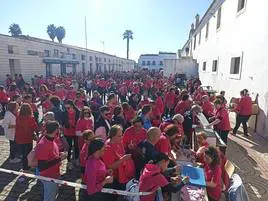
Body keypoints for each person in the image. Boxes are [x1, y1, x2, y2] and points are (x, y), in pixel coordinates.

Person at [35, 121, 67, 201]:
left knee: (52, 195)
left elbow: (51, 155)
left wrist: (59, 154)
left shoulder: (51, 139)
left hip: (54, 175)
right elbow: (42, 166)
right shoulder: (44, 144)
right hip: (48, 177)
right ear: (56, 130)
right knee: (49, 198)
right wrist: (60, 158)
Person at [102, 125, 135, 199]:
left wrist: (129, 148)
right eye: (119, 136)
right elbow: (110, 166)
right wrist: (123, 159)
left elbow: (122, 153)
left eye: (122, 135)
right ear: (113, 136)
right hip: (114, 179)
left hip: (123, 176)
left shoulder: (119, 142)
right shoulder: (107, 148)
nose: (122, 137)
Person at [15, 103, 38, 171]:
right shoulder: (30, 118)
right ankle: (27, 167)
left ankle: (25, 166)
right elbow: (35, 127)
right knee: (28, 154)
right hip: (27, 138)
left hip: (19, 138)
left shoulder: (18, 117)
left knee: (23, 154)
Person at [62, 100, 80, 170]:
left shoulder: (78, 112)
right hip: (67, 133)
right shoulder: (64, 113)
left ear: (72, 106)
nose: (67, 109)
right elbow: (62, 122)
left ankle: (76, 159)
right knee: (68, 147)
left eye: (68, 108)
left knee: (76, 146)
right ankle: (69, 161)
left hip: (76, 132)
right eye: (65, 108)